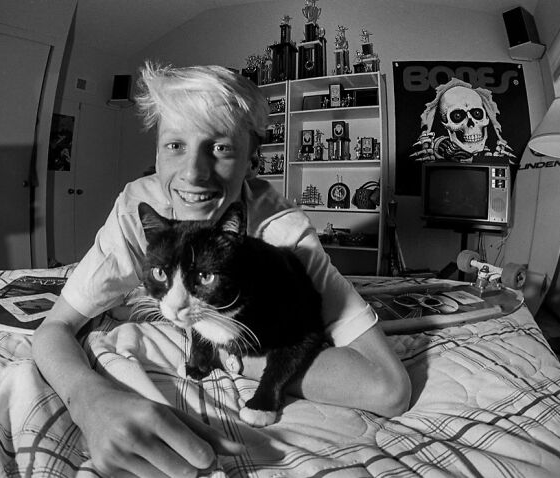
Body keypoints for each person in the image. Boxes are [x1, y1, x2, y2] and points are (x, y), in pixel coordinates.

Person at [32, 62, 411, 478]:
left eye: (221, 147)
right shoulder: (137, 208)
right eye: (175, 145)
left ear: (252, 159)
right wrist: (87, 398)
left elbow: (388, 389)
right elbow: (55, 328)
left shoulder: (283, 231)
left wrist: (227, 346)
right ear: (156, 152)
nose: (193, 173)